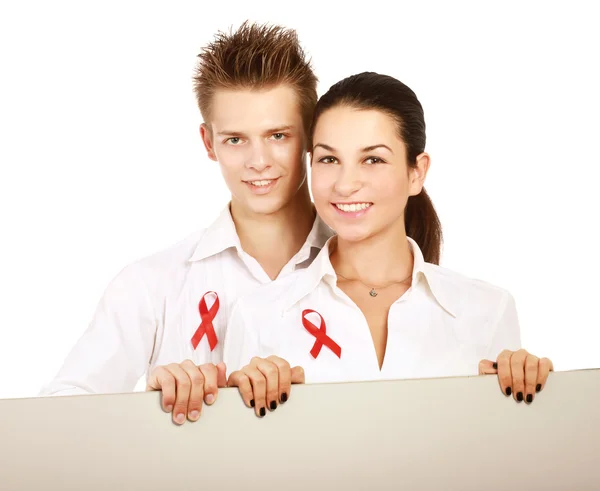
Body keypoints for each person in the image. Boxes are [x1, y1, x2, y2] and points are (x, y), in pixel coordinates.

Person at [38, 21, 333, 425]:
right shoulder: (151, 284)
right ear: (208, 143)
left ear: (311, 135)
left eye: (278, 135)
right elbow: (56, 413)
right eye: (235, 139)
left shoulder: (370, 275)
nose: (259, 160)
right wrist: (147, 408)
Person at [224, 72, 553, 417]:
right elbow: (242, 457)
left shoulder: (487, 310)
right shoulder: (259, 314)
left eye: (373, 159)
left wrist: (535, 393)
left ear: (416, 173)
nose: (345, 184)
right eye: (329, 159)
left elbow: (501, 454)